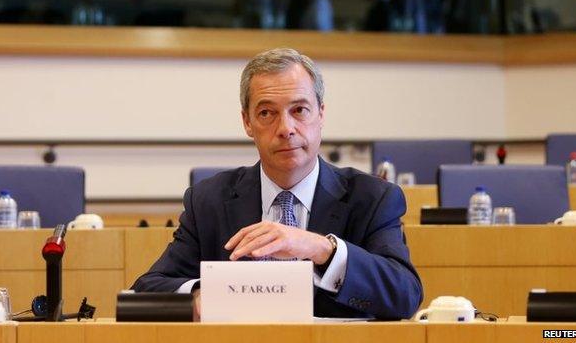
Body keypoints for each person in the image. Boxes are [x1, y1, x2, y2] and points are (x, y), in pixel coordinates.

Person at [132, 48, 423, 320]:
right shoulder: (208, 200)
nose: (285, 129)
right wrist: (198, 295)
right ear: (247, 122)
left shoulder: (373, 198)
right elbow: (148, 287)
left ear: (320, 114)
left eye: (299, 110)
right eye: (267, 113)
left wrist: (322, 249)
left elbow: (405, 294)